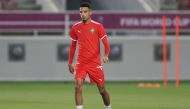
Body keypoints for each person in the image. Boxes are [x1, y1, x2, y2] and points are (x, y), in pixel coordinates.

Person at [68, 0, 112, 109]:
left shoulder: (98, 26)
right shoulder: (75, 27)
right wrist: (70, 63)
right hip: (81, 63)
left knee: (102, 90)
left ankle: (108, 107)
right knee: (78, 87)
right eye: (81, 12)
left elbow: (106, 43)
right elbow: (73, 46)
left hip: (95, 64)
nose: (82, 14)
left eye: (85, 12)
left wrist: (106, 55)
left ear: (90, 12)